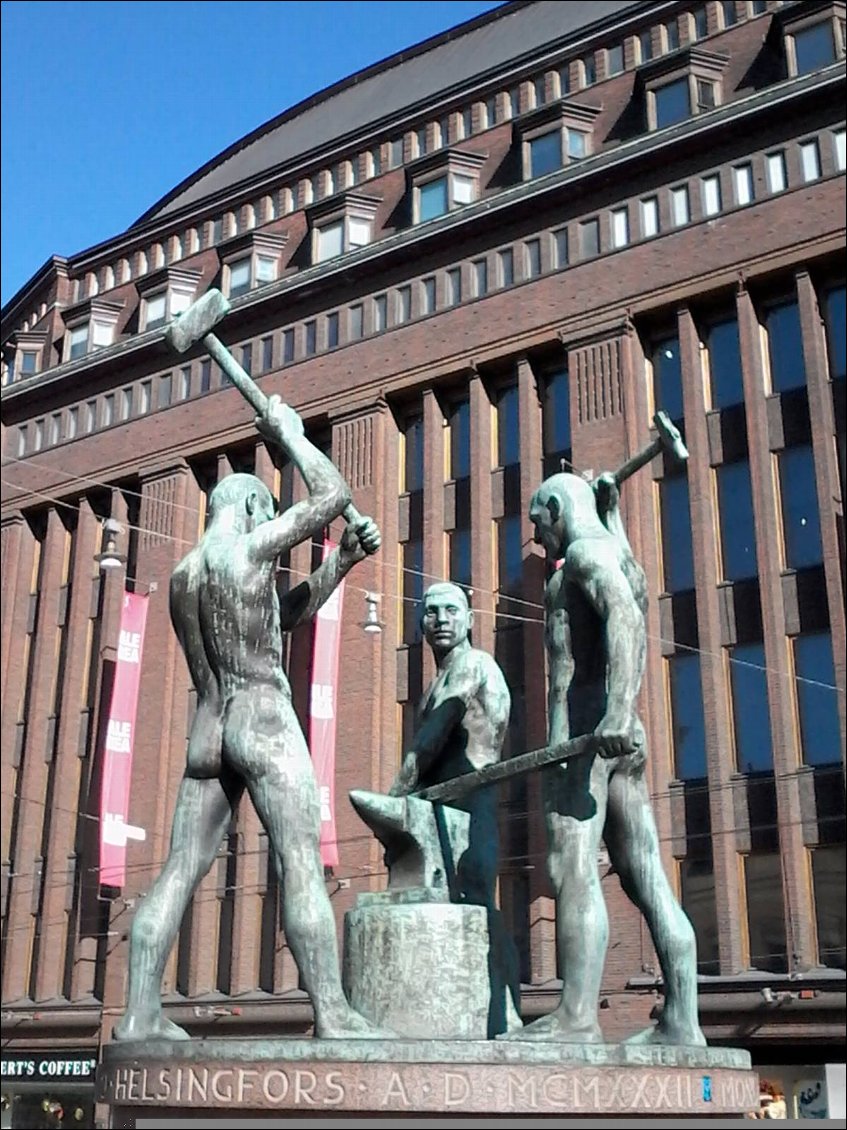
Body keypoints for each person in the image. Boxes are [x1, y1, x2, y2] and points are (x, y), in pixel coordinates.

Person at [114, 394, 386, 1042]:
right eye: (267, 507)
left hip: (208, 727)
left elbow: (276, 619)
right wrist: (290, 435)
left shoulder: (183, 576)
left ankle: (137, 1013)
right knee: (298, 861)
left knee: (179, 869)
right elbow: (331, 492)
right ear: (253, 508)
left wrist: (340, 563)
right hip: (262, 712)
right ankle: (333, 1013)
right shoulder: (252, 543)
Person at [511, 470, 705, 1045]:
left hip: (589, 740)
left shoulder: (584, 558)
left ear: (552, 508)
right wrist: (614, 513)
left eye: (538, 526)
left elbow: (625, 616)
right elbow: (635, 590)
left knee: (573, 872)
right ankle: (683, 1022)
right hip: (623, 739)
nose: (540, 540)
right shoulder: (615, 549)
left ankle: (575, 1017)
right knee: (647, 877)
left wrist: (616, 710)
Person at [388, 582, 510, 908]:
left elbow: (431, 739)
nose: (441, 619)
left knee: (475, 909)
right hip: (440, 810)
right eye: (432, 612)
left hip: (472, 805)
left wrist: (394, 800)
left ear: (470, 619)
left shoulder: (473, 664)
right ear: (421, 625)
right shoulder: (432, 687)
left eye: (451, 610)